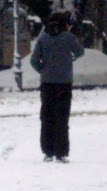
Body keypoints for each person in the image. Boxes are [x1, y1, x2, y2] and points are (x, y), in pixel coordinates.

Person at [29, 11, 84, 162]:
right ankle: (61, 153)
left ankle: (48, 152)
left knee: (47, 117)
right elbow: (80, 52)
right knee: (62, 118)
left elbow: (33, 61)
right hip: (64, 84)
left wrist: (44, 70)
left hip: (47, 84)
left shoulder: (43, 38)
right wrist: (69, 58)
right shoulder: (68, 37)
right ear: (64, 24)